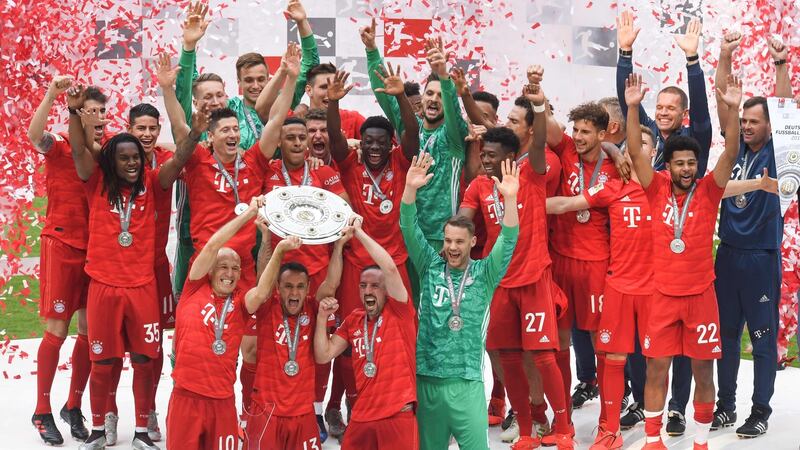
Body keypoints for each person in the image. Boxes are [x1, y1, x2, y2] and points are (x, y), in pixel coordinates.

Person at [162, 42, 301, 421]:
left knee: (251, 349)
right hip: (207, 269)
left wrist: (288, 76)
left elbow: (275, 121)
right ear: (211, 135)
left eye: (235, 129)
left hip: (245, 269)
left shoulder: (254, 160)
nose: (231, 134)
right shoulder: (198, 161)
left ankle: (246, 416)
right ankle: (190, 411)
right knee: (201, 345)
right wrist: (165, 89)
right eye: (224, 129)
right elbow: (178, 125)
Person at [67, 84, 196, 448]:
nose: (132, 163)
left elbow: (180, 157)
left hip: (142, 287)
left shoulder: (155, 183)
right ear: (111, 162)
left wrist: (197, 130)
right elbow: (79, 148)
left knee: (144, 357)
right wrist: (75, 113)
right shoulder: (96, 183)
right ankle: (100, 425)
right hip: (103, 286)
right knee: (104, 361)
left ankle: (141, 429)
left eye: (136, 157)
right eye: (124, 157)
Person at [625, 72, 743, 450]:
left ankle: (702, 441)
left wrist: (734, 111)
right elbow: (632, 149)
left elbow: (732, 153)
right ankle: (652, 440)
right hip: (662, 295)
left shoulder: (709, 191)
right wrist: (631, 108)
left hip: (700, 296)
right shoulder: (655, 187)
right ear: (669, 166)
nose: (687, 169)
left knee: (702, 370)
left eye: (692, 163)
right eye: (680, 164)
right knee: (657, 368)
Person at [459, 83, 572, 450]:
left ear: (511, 155)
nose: (486, 160)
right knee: (507, 359)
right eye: (482, 153)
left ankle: (564, 429)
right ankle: (527, 430)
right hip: (499, 284)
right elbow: (463, 222)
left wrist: (539, 106)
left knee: (542, 356)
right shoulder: (477, 185)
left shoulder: (533, 175)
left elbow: (538, 142)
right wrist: (455, 240)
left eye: (492, 155)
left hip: (535, 278)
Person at [615, 11, 712, 431]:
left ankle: (678, 408)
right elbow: (628, 107)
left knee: (689, 348)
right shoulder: (652, 143)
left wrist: (693, 64)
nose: (665, 111)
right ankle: (648, 407)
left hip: (685, 265)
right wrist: (624, 54)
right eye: (661, 106)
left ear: (683, 112)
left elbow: (705, 115)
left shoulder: (695, 146)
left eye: (673, 107)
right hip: (647, 260)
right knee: (654, 349)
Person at [322, 66, 419, 438]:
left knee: (396, 338)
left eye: (381, 141)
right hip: (355, 267)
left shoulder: (399, 160)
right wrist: (332, 102)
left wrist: (398, 99)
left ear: (390, 143)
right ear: (359, 143)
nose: (375, 147)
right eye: (369, 142)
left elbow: (412, 137)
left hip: (394, 267)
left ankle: (399, 401)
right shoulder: (349, 164)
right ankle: (352, 399)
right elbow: (333, 138)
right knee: (352, 339)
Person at [401, 153, 519, 450]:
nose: (452, 247)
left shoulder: (484, 273)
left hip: (467, 382)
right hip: (427, 378)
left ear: (472, 242)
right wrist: (410, 190)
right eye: (448, 241)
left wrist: (511, 200)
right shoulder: (429, 265)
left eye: (459, 241)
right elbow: (408, 228)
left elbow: (508, 239)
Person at [710, 32, 791, 438]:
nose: (744, 126)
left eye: (752, 122)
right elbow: (724, 98)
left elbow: (786, 113)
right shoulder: (733, 150)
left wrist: (780, 66)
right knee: (724, 337)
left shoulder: (777, 153)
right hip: (728, 256)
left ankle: (760, 410)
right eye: (743, 121)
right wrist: (725, 54)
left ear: (768, 125)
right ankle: (725, 406)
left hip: (760, 258)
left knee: (760, 340)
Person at [27, 76, 109, 445]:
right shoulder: (59, 146)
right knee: (56, 330)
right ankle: (41, 410)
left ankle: (72, 406)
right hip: (61, 244)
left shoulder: (110, 152)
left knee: (89, 334)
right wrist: (52, 94)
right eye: (89, 109)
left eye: (102, 110)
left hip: (97, 251)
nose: (97, 115)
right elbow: (33, 134)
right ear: (78, 114)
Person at [167, 196, 279, 449]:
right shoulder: (193, 288)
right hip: (186, 399)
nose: (229, 274)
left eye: (236, 269)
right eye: (223, 267)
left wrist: (276, 248)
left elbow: (261, 291)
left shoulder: (240, 303)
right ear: (209, 270)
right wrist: (249, 215)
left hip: (222, 402)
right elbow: (211, 247)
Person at [544, 95, 621, 436]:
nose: (578, 136)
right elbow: (550, 130)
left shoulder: (616, 168)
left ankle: (608, 424)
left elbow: (566, 205)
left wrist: (618, 153)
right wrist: (538, 100)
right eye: (576, 129)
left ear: (603, 134)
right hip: (561, 261)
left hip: (595, 265)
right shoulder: (567, 152)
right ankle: (563, 423)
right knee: (558, 342)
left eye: (587, 131)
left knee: (600, 342)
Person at [98, 103, 175, 444]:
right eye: (139, 128)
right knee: (109, 349)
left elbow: (187, 148)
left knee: (151, 349)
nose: (146, 134)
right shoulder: (114, 162)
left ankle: (149, 411)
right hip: (115, 267)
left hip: (154, 268)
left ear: (159, 131)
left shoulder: (162, 163)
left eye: (151, 128)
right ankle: (109, 412)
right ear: (127, 128)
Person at [314, 218, 418, 449]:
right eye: (363, 286)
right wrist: (322, 318)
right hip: (361, 416)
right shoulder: (353, 321)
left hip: (397, 415)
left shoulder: (400, 312)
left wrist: (359, 234)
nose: (368, 291)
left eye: (375, 286)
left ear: (386, 290)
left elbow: (390, 268)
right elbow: (323, 355)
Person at [244, 230, 350, 449]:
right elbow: (263, 277)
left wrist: (338, 246)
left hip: (302, 413)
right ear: (278, 288)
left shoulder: (312, 308)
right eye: (288, 286)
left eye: (300, 286)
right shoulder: (267, 307)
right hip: (267, 412)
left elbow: (331, 284)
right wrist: (270, 242)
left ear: (308, 288)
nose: (294, 293)